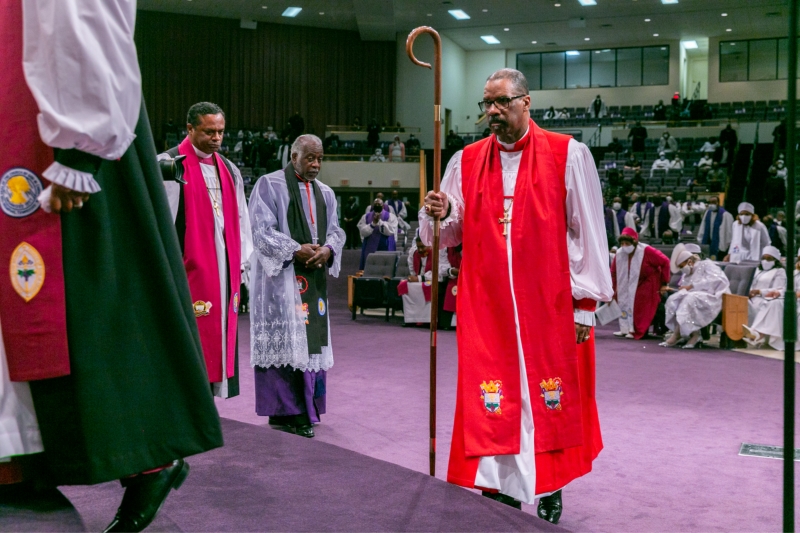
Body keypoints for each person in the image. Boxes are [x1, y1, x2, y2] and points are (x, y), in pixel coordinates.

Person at [0, 2, 223, 530]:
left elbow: (84, 14)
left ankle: (149, 458)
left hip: (60, 134)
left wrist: (79, 149)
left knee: (93, 297)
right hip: (35, 114)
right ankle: (21, 459)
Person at [421, 68, 613, 523]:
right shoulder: (464, 161)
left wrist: (585, 303)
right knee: (496, 397)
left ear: (526, 102)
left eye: (501, 102)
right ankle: (501, 485)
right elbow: (447, 233)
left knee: (545, 397)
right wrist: (442, 211)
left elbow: (588, 231)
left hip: (548, 305)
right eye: (486, 103)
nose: (492, 111)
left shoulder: (568, 154)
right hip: (488, 305)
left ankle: (550, 487)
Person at [248, 134, 345, 439]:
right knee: (286, 340)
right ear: (293, 157)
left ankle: (307, 409)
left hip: (312, 280)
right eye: (309, 158)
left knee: (309, 342)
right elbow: (261, 230)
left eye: (320, 158)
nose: (315, 164)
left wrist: (327, 250)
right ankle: (287, 411)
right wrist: (294, 249)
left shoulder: (326, 193)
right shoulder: (270, 184)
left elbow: (336, 231)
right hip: (282, 281)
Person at [159, 102, 253, 399]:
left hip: (224, 265)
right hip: (186, 267)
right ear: (189, 129)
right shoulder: (168, 164)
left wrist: (243, 267)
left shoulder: (228, 169)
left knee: (218, 331)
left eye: (221, 132)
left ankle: (209, 392)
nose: (216, 138)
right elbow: (162, 221)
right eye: (209, 131)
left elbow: (242, 220)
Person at [661, 251, 730, 349]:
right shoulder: (688, 273)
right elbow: (687, 288)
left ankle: (683, 335)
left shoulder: (707, 264)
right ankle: (686, 333)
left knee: (689, 299)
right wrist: (683, 289)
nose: (682, 269)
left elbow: (718, 280)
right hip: (697, 296)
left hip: (714, 296)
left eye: (682, 265)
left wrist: (692, 286)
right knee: (674, 298)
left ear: (689, 261)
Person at [611, 228, 671, 339]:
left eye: (627, 243)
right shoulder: (620, 253)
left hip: (648, 282)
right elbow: (614, 272)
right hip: (629, 283)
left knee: (640, 299)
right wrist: (614, 289)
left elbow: (665, 261)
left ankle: (638, 330)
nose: (624, 246)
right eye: (622, 243)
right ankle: (626, 328)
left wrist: (664, 283)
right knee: (623, 297)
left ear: (634, 242)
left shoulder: (646, 250)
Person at [744, 250, 800, 350]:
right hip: (792, 299)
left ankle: (758, 335)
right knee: (773, 302)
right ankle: (757, 333)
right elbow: (787, 288)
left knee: (776, 303)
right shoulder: (795, 273)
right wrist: (778, 292)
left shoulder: (780, 271)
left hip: (796, 299)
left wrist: (794, 294)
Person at [398, 235, 450, 326]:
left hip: (436, 281)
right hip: (420, 279)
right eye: (418, 247)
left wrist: (419, 278)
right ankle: (411, 319)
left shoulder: (438, 252)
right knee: (405, 285)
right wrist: (413, 278)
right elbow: (412, 269)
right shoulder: (413, 253)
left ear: (430, 245)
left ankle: (427, 319)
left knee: (428, 287)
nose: (420, 250)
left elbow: (439, 274)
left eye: (422, 247)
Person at [743, 245, 786, 328]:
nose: (765, 261)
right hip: (751, 297)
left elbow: (778, 288)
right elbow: (751, 283)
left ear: (775, 260)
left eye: (769, 259)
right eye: (763, 258)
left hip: (764, 298)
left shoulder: (779, 271)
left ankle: (754, 331)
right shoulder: (758, 270)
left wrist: (759, 292)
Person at [358, 197, 398, 270]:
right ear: (373, 206)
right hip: (370, 245)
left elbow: (391, 231)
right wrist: (373, 224)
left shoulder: (391, 216)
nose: (377, 205)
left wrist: (380, 222)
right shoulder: (366, 217)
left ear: (383, 206)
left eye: (379, 204)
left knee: (385, 267)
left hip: (385, 244)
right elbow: (362, 231)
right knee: (370, 267)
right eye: (375, 204)